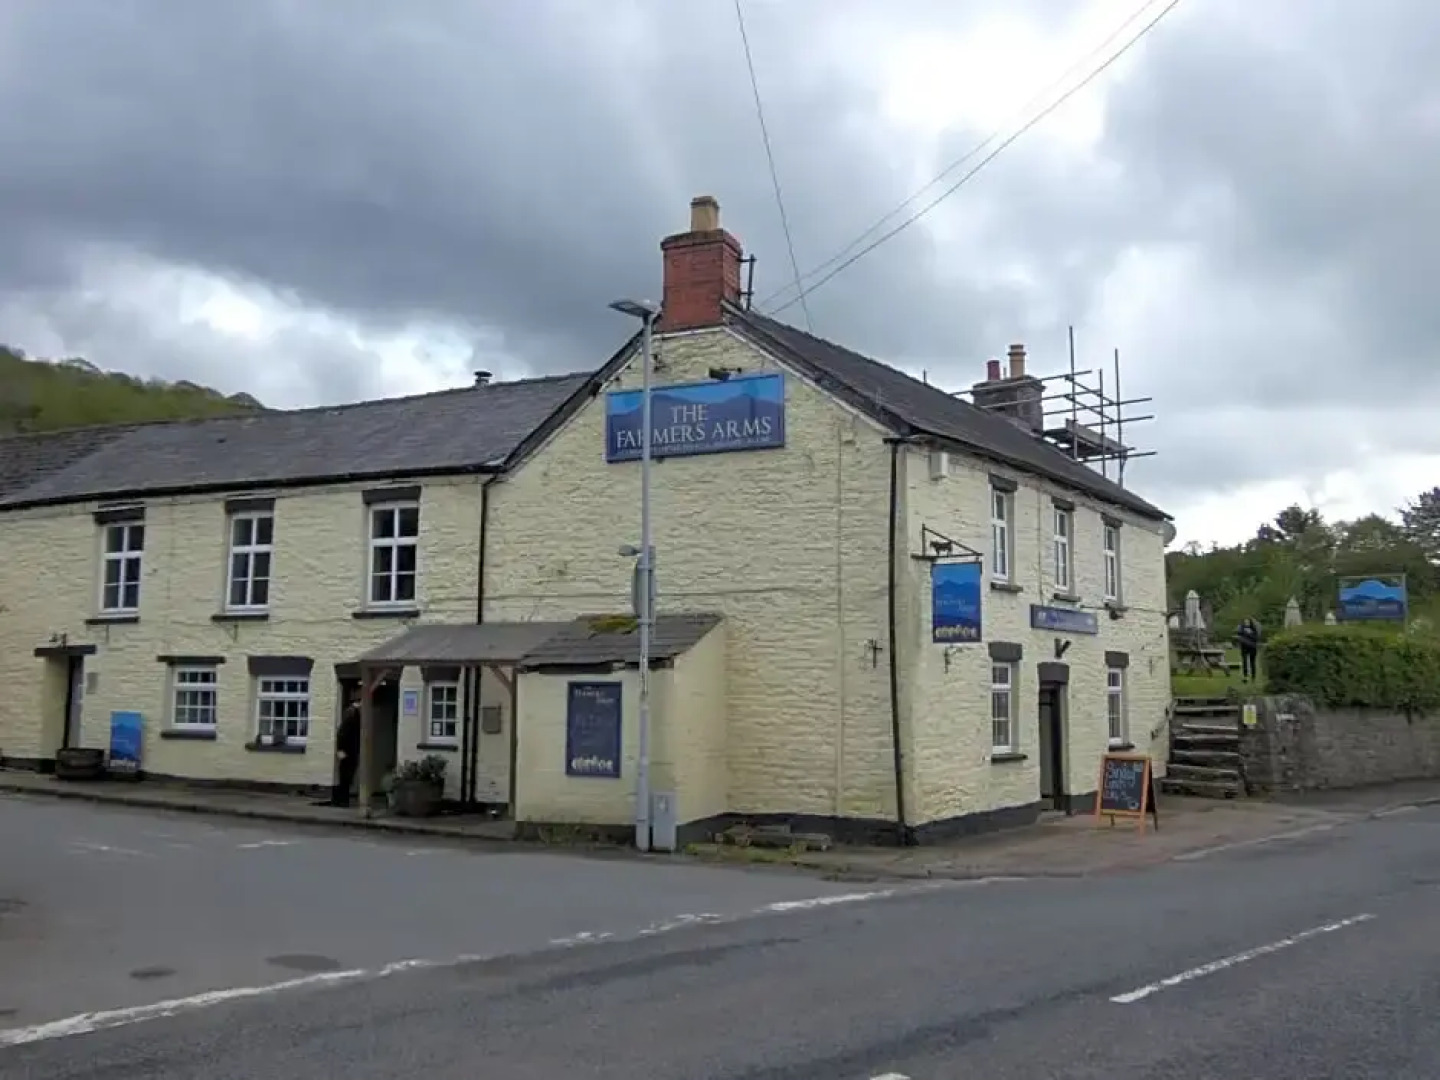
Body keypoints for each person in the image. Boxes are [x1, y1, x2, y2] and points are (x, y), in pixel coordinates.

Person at [331, 699, 362, 807]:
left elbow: (342, 735)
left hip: (348, 752)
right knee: (346, 777)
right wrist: (341, 751)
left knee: (345, 776)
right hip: (349, 752)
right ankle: (342, 800)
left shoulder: (349, 721)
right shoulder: (351, 721)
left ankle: (342, 799)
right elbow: (343, 736)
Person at [1236, 617, 1262, 682]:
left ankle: (1253, 677)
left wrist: (1249, 633)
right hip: (1244, 648)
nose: (1246, 623)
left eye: (1248, 622)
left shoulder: (1253, 629)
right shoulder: (1241, 630)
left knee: (1252, 662)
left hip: (1252, 647)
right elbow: (1239, 637)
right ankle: (1245, 676)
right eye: (1245, 622)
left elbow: (1256, 638)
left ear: (1250, 623)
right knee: (1244, 662)